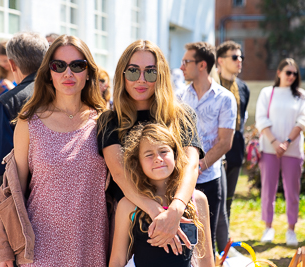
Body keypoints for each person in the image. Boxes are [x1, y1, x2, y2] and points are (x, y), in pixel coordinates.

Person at [0, 35, 108, 266]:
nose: (68, 73)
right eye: (59, 66)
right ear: (48, 72)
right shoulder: (29, 122)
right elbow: (13, 192)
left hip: (93, 248)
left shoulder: (105, 122)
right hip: (40, 250)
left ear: (88, 72)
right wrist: (4, 247)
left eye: (77, 65)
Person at [97, 40, 204, 255]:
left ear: (162, 75)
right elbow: (120, 173)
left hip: (179, 217)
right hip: (128, 226)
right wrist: (160, 214)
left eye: (151, 72)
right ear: (122, 74)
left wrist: (174, 211)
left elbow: (191, 167)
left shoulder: (180, 116)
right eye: (133, 71)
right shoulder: (110, 121)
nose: (142, 80)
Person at [109, 123, 214, 267]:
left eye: (163, 151)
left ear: (176, 156)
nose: (158, 158)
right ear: (137, 163)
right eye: (149, 154)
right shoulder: (128, 205)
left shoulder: (197, 200)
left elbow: (206, 258)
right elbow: (117, 260)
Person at [179, 42, 237, 255]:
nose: (181, 66)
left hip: (210, 179)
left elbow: (225, 142)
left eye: (186, 61)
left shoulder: (225, 98)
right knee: (186, 238)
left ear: (202, 65)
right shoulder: (179, 97)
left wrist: (199, 164)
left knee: (207, 240)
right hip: (181, 180)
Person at [0, 31, 49, 225]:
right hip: (58, 196)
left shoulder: (11, 100)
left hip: (17, 200)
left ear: (12, 64)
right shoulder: (63, 94)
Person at [255, 58, 305, 246]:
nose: (291, 76)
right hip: (269, 149)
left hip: (292, 150)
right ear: (279, 73)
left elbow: (302, 121)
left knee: (292, 191)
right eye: (288, 72)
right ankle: (268, 227)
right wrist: (275, 142)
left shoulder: (301, 95)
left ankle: (291, 230)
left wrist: (286, 143)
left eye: (294, 73)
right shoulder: (267, 93)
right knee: (268, 189)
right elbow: (261, 119)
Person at [215, 40, 250, 251]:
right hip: (215, 149)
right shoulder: (212, 84)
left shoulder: (244, 87)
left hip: (235, 147)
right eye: (235, 57)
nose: (240, 61)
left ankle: (224, 247)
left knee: (228, 201)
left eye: (241, 57)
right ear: (220, 60)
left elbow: (242, 119)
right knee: (214, 201)